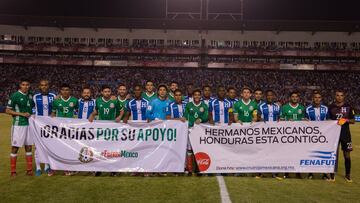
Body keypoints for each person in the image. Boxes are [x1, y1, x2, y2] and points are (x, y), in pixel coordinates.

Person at [89, 85, 121, 177]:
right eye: (105, 91)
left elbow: (121, 110)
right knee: (100, 149)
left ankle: (113, 169)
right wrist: (92, 115)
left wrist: (119, 116)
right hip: (101, 128)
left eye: (109, 91)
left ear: (111, 92)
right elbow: (96, 111)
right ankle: (99, 169)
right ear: (102, 92)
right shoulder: (98, 100)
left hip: (112, 129)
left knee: (112, 150)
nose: (107, 93)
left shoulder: (115, 100)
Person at [6, 78, 34, 177]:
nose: (25, 86)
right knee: (15, 148)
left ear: (29, 85)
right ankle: (13, 171)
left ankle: (29, 170)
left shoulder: (30, 95)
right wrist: (21, 114)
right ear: (20, 85)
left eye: (27, 84)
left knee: (29, 147)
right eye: (23, 84)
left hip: (29, 125)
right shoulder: (15, 95)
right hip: (18, 125)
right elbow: (8, 110)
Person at [51, 84, 78, 176]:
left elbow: (78, 114)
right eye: (63, 90)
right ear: (60, 91)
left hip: (70, 128)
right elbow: (53, 113)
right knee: (56, 148)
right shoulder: (56, 101)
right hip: (59, 128)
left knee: (68, 149)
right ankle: (54, 168)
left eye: (67, 90)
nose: (65, 91)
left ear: (70, 91)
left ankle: (67, 168)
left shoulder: (74, 100)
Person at [328, 90, 355, 182]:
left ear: (344, 96)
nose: (339, 97)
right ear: (335, 96)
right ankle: (332, 175)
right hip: (333, 134)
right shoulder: (331, 107)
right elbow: (327, 120)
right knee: (333, 154)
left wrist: (345, 120)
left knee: (347, 154)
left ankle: (348, 175)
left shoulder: (348, 106)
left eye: (341, 95)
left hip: (345, 134)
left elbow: (353, 120)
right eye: (337, 95)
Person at [33, 79, 56, 176]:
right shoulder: (35, 97)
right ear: (39, 86)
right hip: (38, 125)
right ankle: (38, 168)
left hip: (49, 125)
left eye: (46, 85)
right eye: (42, 85)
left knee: (48, 146)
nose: (44, 87)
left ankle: (47, 166)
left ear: (48, 86)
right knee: (37, 147)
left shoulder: (54, 96)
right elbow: (31, 109)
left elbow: (55, 110)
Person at [305, 91, 330, 180]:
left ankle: (324, 173)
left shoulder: (325, 108)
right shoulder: (308, 109)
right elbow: (305, 121)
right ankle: (310, 173)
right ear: (313, 98)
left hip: (324, 135)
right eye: (315, 97)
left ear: (321, 99)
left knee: (323, 154)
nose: (317, 99)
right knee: (311, 153)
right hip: (312, 135)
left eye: (319, 97)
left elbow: (329, 120)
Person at [280, 91, 305, 179]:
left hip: (298, 135)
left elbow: (303, 119)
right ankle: (286, 172)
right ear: (290, 98)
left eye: (296, 97)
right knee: (287, 153)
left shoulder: (302, 107)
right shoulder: (284, 107)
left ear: (298, 98)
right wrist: (287, 120)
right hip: (288, 134)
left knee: (298, 153)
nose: (294, 98)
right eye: (293, 96)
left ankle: (298, 172)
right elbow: (281, 120)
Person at [257, 89, 282, 180]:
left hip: (275, 134)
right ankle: (260, 172)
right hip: (263, 133)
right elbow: (258, 118)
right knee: (263, 152)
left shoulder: (278, 107)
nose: (269, 97)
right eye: (268, 95)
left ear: (273, 96)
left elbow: (280, 118)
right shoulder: (261, 106)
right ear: (266, 96)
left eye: (271, 95)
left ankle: (274, 172)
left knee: (274, 152)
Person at [184, 89, 209, 175]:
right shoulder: (188, 105)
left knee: (199, 148)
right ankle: (190, 169)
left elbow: (206, 116)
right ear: (193, 96)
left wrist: (201, 119)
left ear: (200, 96)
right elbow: (185, 116)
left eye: (198, 95)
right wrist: (191, 124)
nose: (197, 96)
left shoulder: (204, 105)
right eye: (195, 95)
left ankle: (198, 168)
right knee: (190, 149)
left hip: (200, 130)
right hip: (190, 129)